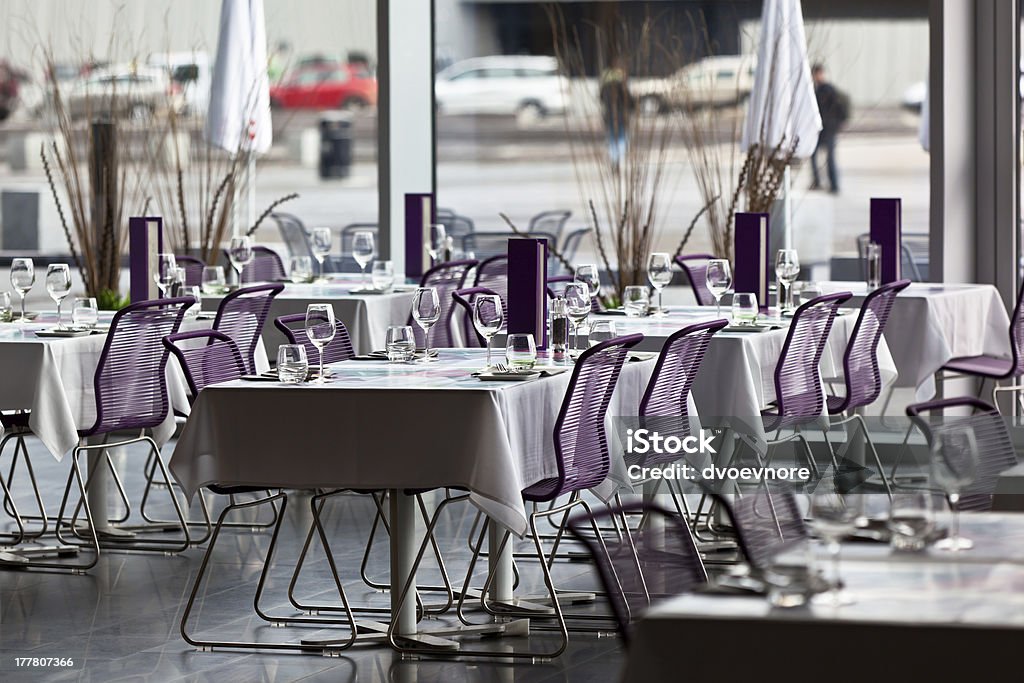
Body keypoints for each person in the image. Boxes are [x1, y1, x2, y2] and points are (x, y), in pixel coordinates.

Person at [810, 63, 848, 194]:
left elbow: (838, 108)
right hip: (821, 129)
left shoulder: (827, 90)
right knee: (814, 155)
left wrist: (835, 123)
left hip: (829, 128)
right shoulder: (816, 90)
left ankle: (833, 184)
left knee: (829, 158)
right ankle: (818, 181)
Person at [599, 61, 634, 174]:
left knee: (612, 138)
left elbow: (601, 99)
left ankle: (614, 159)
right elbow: (629, 101)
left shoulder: (605, 86)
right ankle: (617, 158)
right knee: (622, 138)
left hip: (609, 115)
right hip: (621, 115)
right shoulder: (621, 86)